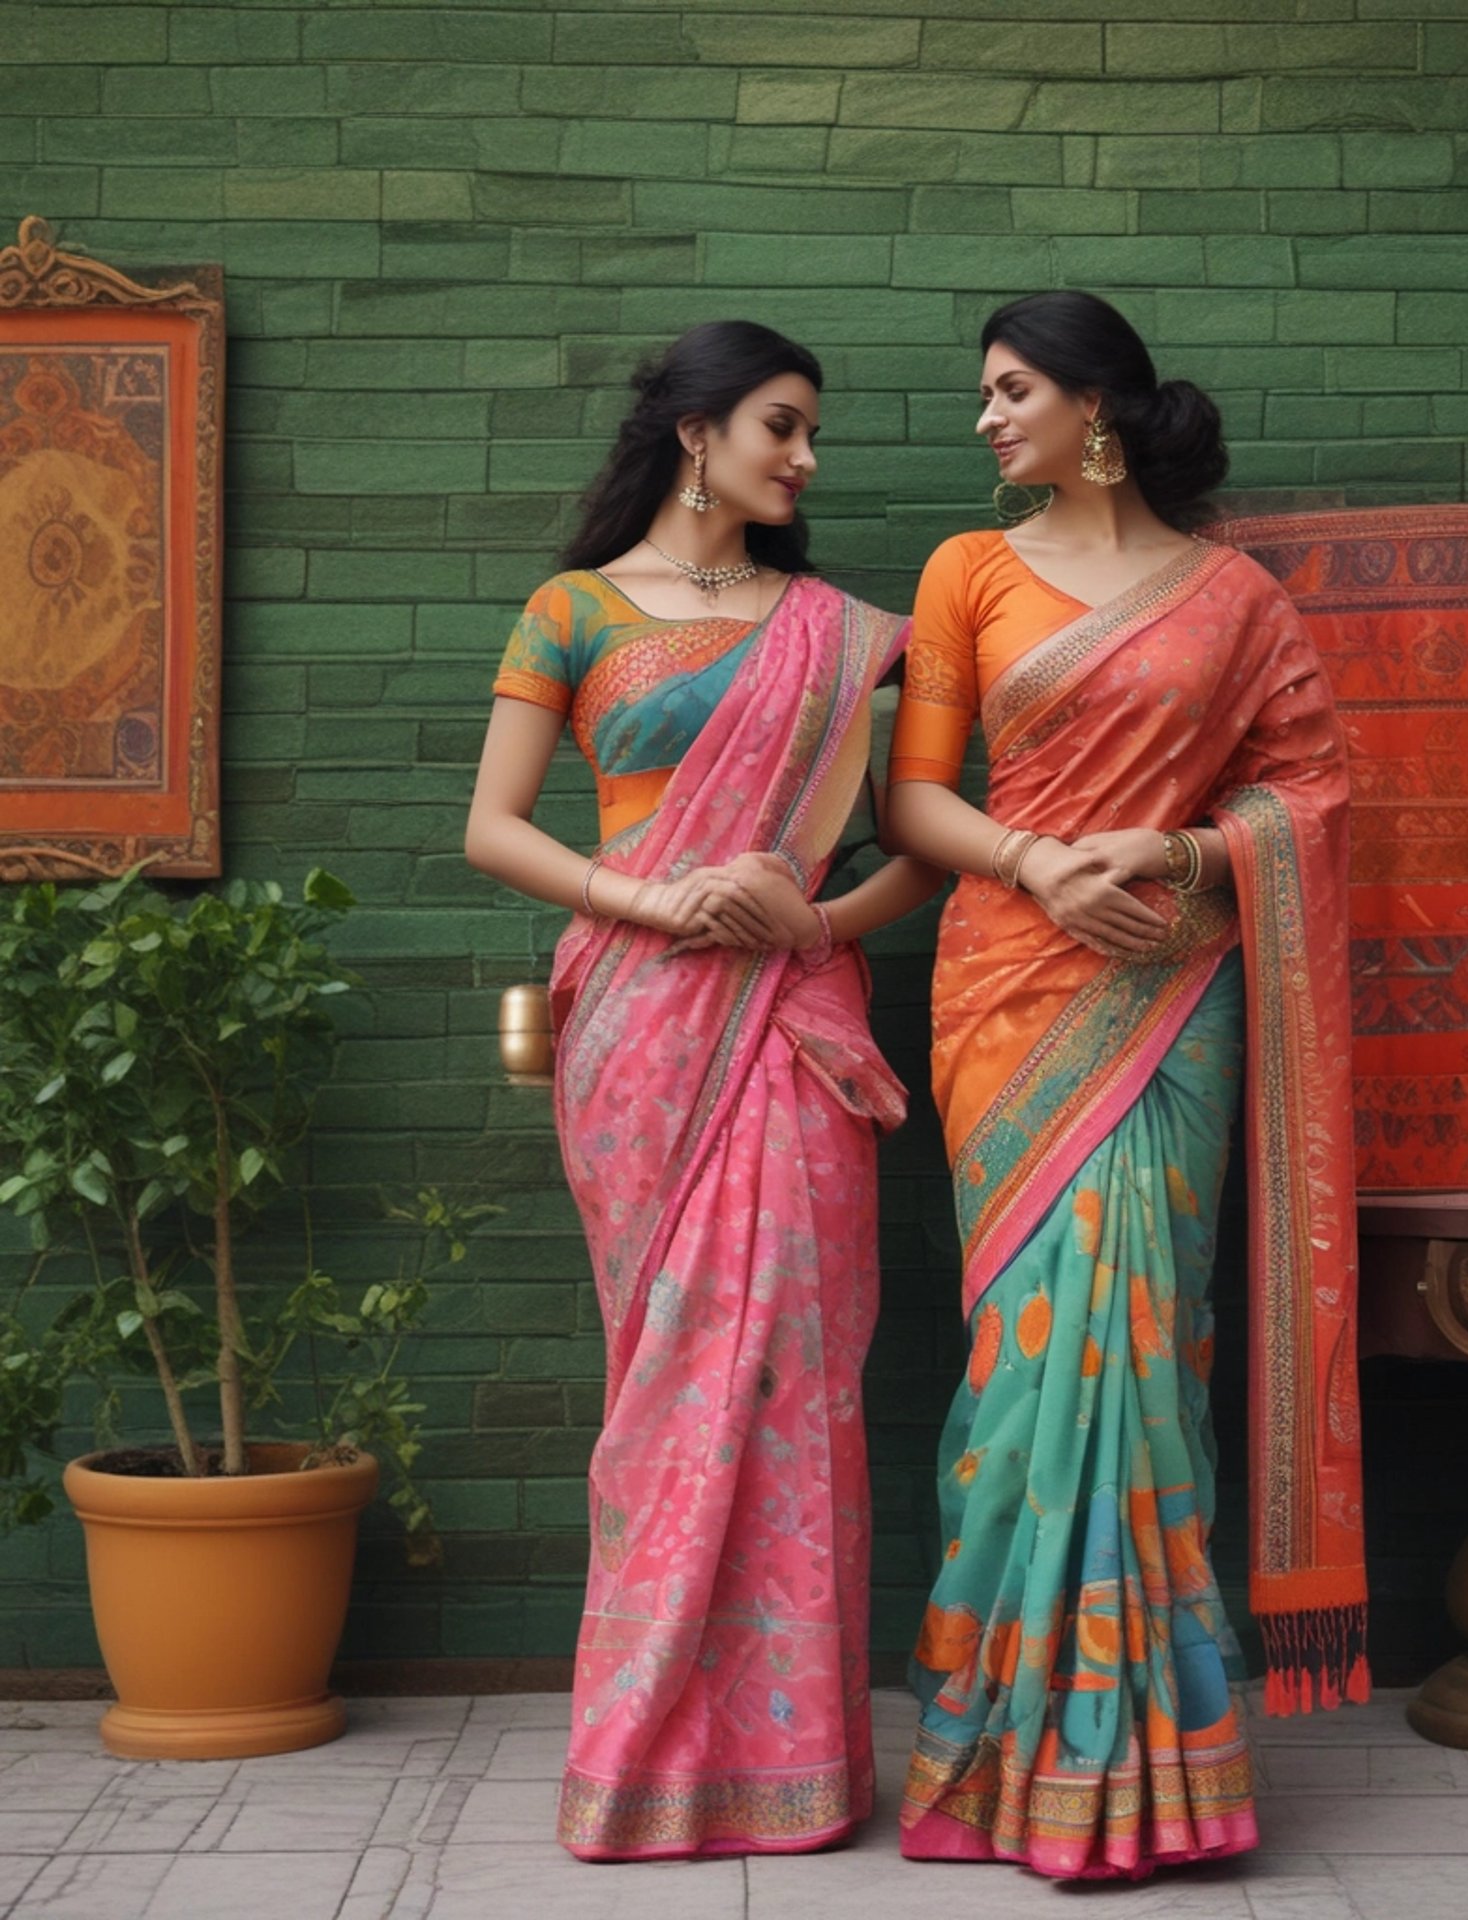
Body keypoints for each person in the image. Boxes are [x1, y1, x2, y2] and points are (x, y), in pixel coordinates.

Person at [884, 291, 1366, 1880]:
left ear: (1095, 407)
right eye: (985, 395)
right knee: (1031, 1364)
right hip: (1011, 997)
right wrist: (1038, 863)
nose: (986, 419)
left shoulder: (1234, 599)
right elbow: (915, 803)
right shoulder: (967, 572)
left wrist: (1165, 847)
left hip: (1169, 998)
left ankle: (1151, 1764)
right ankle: (1001, 1756)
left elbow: (1311, 793)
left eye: (1009, 390)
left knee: (1145, 1350)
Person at [465, 320, 939, 1861]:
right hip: (640, 1026)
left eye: (811, 435)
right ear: (694, 432)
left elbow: (913, 850)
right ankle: (643, 1755)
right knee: (666, 1373)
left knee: (794, 1376)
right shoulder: (573, 611)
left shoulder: (840, 632)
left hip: (792, 1027)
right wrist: (657, 904)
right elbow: (495, 827)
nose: (805, 460)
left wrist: (813, 917)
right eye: (782, 427)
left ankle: (791, 1761)